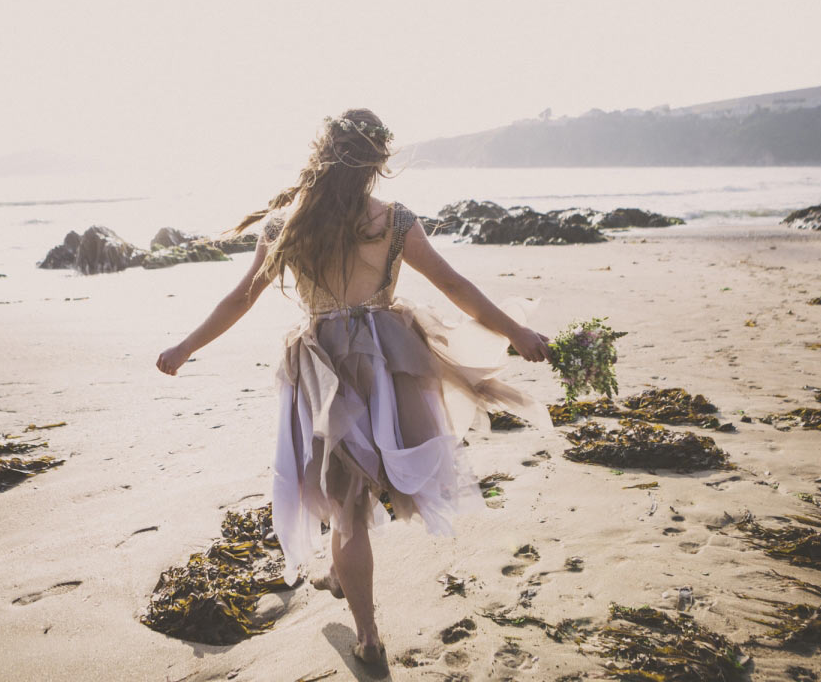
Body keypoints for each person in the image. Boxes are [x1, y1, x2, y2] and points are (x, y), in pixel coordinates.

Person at [155, 109, 551, 670]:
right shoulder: (393, 221)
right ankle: (347, 583)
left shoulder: (288, 224)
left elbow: (240, 299)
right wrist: (516, 331)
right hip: (391, 363)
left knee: (346, 506)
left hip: (324, 369)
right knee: (356, 500)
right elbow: (455, 285)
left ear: (321, 156)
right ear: (378, 164)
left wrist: (186, 347)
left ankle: (366, 635)